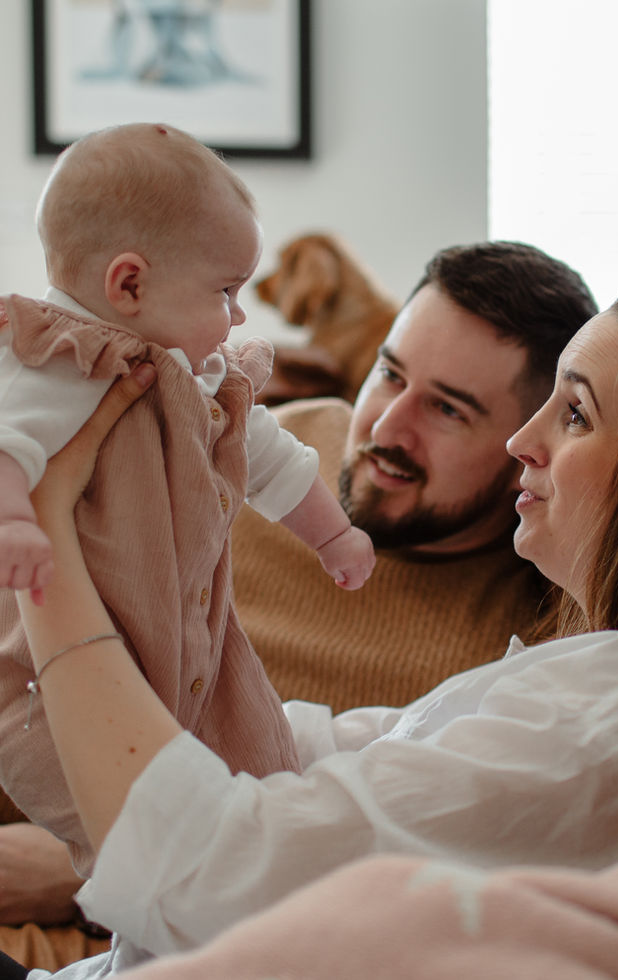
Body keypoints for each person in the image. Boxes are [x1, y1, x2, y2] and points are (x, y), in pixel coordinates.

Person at [14, 279, 618, 979]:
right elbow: (286, 746)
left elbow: (209, 870)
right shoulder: (585, 680)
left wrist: (46, 551)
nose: (527, 443)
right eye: (389, 372)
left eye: (575, 415)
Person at [0, 239, 600, 970]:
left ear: (525, 449)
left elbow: (308, 862)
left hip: (146, 871)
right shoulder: (261, 444)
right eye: (389, 373)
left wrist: (74, 868)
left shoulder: (519, 649)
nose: (384, 428)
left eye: (447, 409)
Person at [0, 122, 376, 878]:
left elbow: (267, 455)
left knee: (256, 756)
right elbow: (6, 442)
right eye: (227, 292)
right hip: (51, 655)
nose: (239, 317)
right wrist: (15, 519)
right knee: (108, 801)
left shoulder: (197, 376)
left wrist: (332, 536)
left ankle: (224, 885)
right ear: (129, 285)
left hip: (188, 638)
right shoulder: (56, 363)